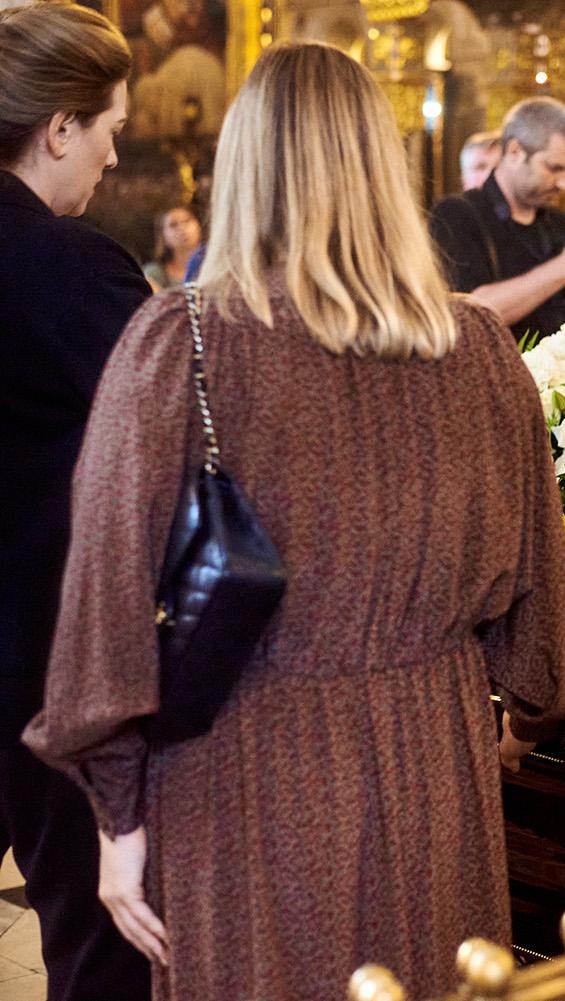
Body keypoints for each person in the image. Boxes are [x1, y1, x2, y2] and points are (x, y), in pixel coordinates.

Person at [23, 42, 565, 1001]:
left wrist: (118, 822)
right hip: (434, 767)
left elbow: (105, 608)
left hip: (242, 774)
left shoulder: (179, 346)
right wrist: (525, 721)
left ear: (245, 170)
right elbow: (543, 635)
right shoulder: (481, 354)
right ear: (384, 169)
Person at [0, 6, 154, 1000]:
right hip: (46, 664)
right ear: (60, 127)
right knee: (101, 953)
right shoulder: (68, 264)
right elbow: (187, 436)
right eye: (110, 129)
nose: (113, 156)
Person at [429, 97, 565, 340]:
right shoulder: (457, 214)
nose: (564, 184)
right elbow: (468, 314)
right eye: (554, 168)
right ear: (514, 152)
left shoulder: (560, 223)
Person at [141, 205, 201, 291]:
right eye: (173, 225)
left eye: (187, 221)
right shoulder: (154, 273)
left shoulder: (213, 266)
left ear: (198, 225)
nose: (182, 229)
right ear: (163, 236)